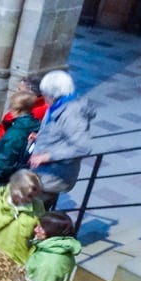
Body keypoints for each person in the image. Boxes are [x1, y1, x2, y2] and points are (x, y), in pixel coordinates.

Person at [28, 70, 96, 209]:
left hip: (54, 175)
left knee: (33, 209)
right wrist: (40, 136)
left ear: (53, 94)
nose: (44, 97)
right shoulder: (58, 104)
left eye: (45, 93)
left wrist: (47, 156)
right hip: (44, 171)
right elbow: (57, 131)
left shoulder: (72, 114)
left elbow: (83, 147)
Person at [0, 90, 41, 196]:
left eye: (11, 107)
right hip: (20, 177)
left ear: (18, 110)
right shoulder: (37, 125)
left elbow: (3, 163)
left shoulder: (14, 134)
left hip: (1, 183)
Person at [0, 76, 47, 170]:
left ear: (30, 94)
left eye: (19, 89)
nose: (15, 91)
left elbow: (4, 143)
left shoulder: (15, 117)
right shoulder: (47, 108)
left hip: (5, 157)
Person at [0, 169, 46, 264]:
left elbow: (40, 234)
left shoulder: (38, 207)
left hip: (19, 263)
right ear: (17, 189)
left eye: (35, 195)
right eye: (29, 196)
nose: (33, 200)